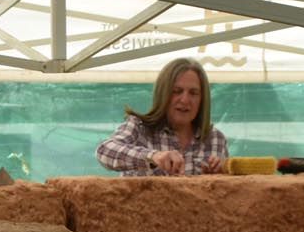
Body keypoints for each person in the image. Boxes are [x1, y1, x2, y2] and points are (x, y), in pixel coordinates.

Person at [95, 56, 228, 176]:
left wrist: (220, 175)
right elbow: (104, 151)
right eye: (177, 91)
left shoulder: (215, 139)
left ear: (202, 99)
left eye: (193, 93)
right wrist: (153, 156)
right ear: (162, 94)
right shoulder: (139, 128)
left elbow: (229, 195)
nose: (185, 100)